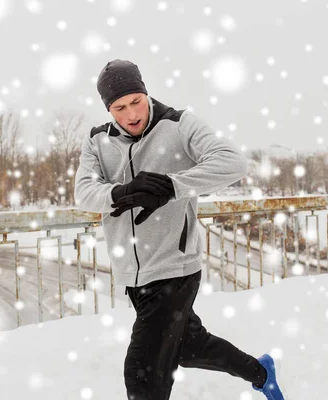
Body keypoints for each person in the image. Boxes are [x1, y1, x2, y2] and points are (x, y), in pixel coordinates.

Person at [74, 59, 285, 400]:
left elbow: (233, 162)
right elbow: (83, 193)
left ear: (146, 93)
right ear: (108, 109)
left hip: (175, 269)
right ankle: (261, 373)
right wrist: (122, 191)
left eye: (136, 101)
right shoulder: (97, 140)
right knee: (189, 347)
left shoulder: (178, 124)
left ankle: (260, 373)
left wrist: (172, 186)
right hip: (131, 275)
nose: (131, 114)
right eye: (119, 107)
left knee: (143, 376)